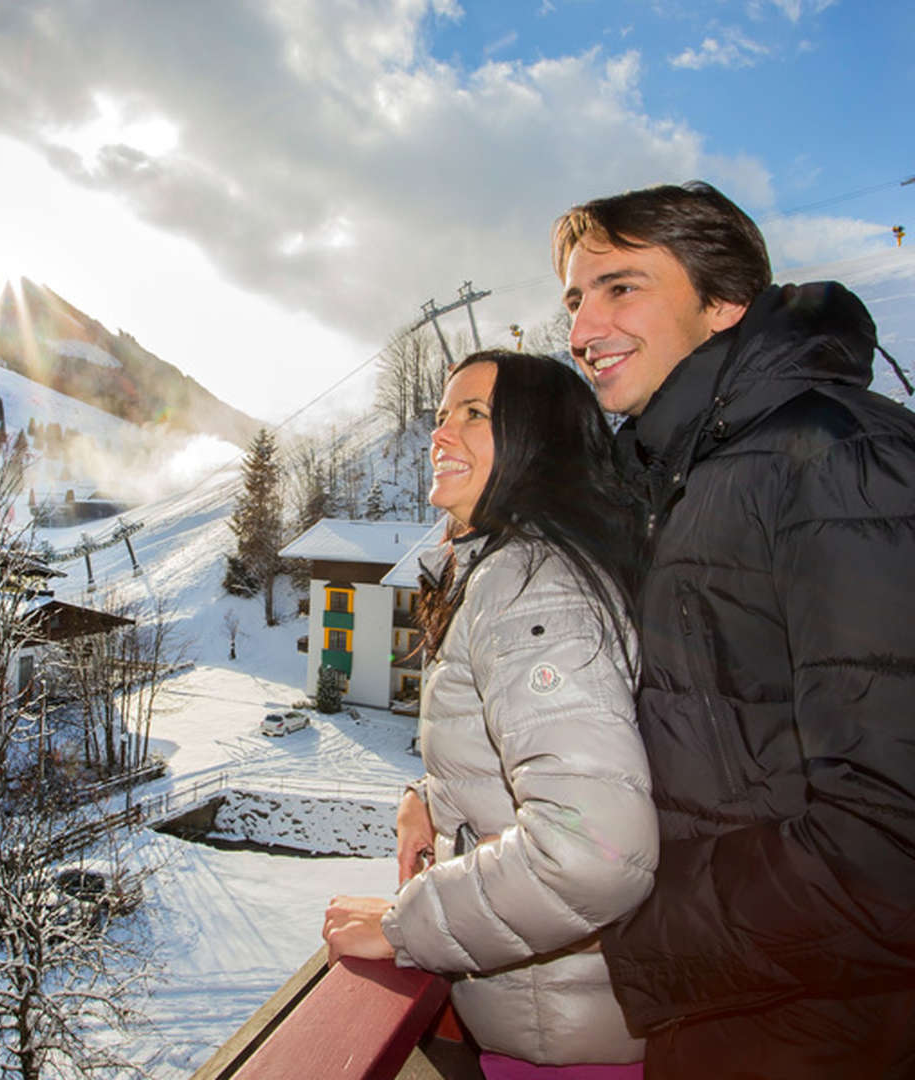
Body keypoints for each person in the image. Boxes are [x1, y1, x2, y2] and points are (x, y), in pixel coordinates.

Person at [553, 180, 915, 1078]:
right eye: (572, 297)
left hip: (822, 1030)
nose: (580, 329)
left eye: (620, 286)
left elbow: (892, 842)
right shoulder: (688, 475)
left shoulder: (841, 459)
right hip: (738, 1005)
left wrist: (640, 938)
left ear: (724, 304)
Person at [323, 350, 658, 1077]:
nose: (440, 435)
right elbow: (514, 758)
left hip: (563, 1041)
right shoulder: (511, 566)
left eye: (475, 414)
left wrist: (404, 927)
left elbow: (593, 853)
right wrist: (430, 802)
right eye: (440, 417)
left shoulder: (533, 584)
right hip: (555, 1020)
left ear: (542, 439)